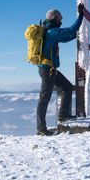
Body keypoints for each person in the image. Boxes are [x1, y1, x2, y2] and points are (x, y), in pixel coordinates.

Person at [36, 8, 83, 136]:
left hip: (49, 69)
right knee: (44, 98)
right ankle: (41, 129)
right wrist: (81, 17)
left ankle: (63, 117)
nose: (62, 18)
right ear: (55, 17)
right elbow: (69, 31)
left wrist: (76, 35)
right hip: (47, 70)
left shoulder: (50, 31)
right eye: (60, 16)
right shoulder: (51, 32)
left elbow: (66, 36)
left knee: (67, 87)